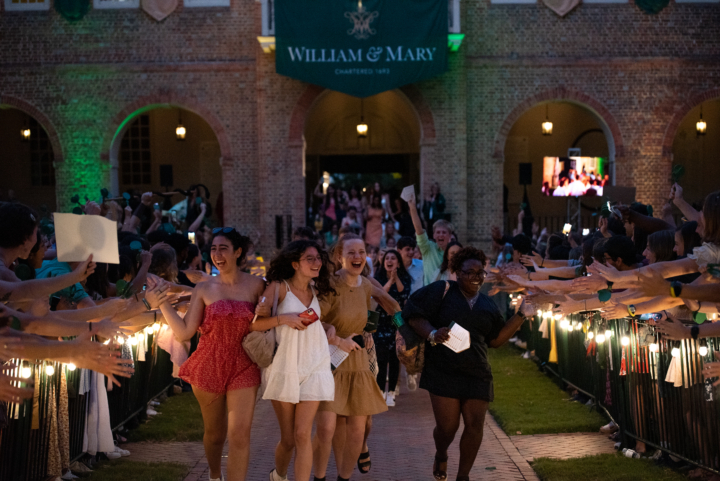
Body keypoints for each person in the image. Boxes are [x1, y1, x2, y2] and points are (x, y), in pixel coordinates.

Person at [403, 247, 534, 481]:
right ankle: (441, 452)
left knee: (474, 425)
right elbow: (413, 316)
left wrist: (521, 315)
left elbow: (495, 340)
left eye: (480, 273)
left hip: (477, 373)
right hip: (443, 371)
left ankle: (463, 476)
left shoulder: (487, 304)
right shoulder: (440, 292)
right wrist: (432, 333)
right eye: (469, 272)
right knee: (447, 428)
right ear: (456, 272)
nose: (475, 277)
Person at [156, 227, 265, 481]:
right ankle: (215, 475)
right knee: (215, 434)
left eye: (223, 248)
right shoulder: (204, 289)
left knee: (239, 433)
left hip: (244, 364)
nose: (217, 254)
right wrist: (161, 302)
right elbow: (184, 333)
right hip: (209, 363)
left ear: (237, 252)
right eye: (213, 249)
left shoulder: (257, 285)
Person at [312, 234, 400, 481]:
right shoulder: (329, 284)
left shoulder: (366, 285)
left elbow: (389, 307)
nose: (357, 257)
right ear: (340, 256)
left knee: (357, 431)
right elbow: (312, 319)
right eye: (351, 252)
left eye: (361, 252)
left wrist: (403, 333)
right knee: (327, 428)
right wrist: (330, 330)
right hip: (331, 362)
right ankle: (318, 477)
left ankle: (344, 477)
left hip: (359, 361)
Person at [252, 240, 337, 481]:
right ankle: (279, 475)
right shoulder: (279, 288)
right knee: (289, 439)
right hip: (284, 367)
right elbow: (255, 325)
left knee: (302, 434)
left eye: (318, 258)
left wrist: (328, 328)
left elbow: (313, 323)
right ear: (295, 264)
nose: (317, 262)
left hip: (314, 366)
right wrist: (283, 319)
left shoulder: (315, 291)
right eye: (310, 258)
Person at [373, 249, 411, 407]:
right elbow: (380, 295)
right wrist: (390, 281)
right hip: (380, 323)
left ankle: (391, 393)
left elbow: (403, 295)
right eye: (387, 258)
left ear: (398, 262)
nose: (389, 261)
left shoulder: (405, 278)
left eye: (393, 258)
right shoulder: (378, 278)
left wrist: (396, 279)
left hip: (396, 323)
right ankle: (381, 391)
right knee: (381, 359)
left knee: (395, 359)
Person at [405, 189, 454, 285]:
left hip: (449, 294)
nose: (441, 235)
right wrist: (412, 207)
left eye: (444, 232)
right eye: (438, 232)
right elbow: (419, 230)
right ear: (434, 235)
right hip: (430, 294)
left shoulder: (454, 251)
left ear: (450, 236)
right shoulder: (428, 248)